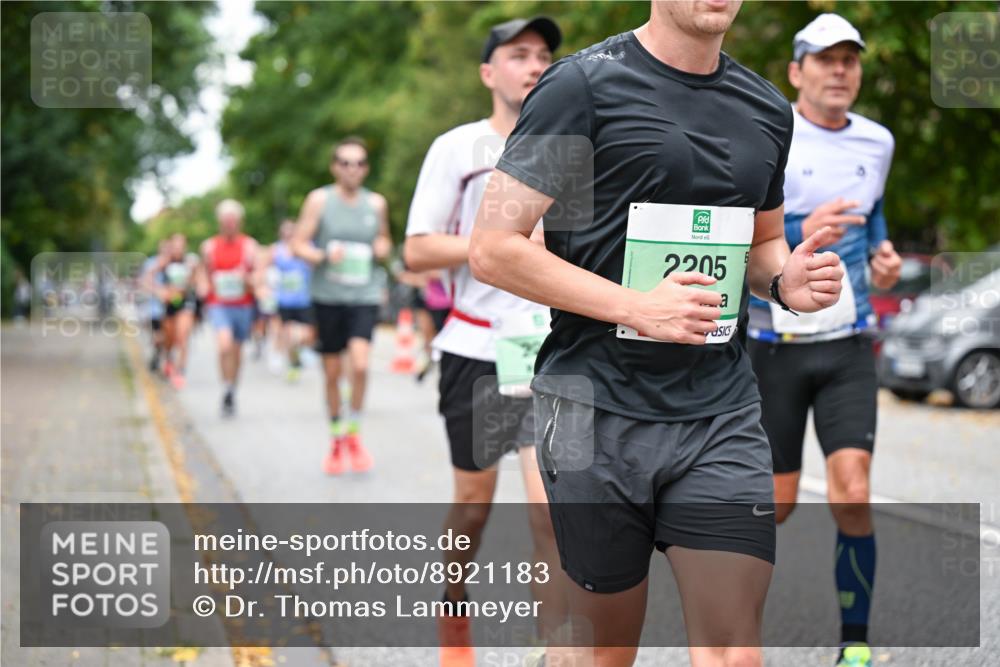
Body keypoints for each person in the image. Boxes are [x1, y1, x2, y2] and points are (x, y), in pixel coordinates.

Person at [469, 1, 849, 665]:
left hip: (719, 412)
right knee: (604, 652)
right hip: (598, 409)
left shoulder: (765, 107)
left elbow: (763, 244)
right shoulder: (579, 87)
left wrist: (787, 282)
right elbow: (493, 247)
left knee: (735, 651)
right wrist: (637, 307)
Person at [404, 16, 567, 667]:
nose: (535, 65)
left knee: (552, 513)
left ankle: (550, 649)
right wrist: (498, 244)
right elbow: (417, 251)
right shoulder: (457, 148)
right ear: (487, 72)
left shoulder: (572, 150)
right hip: (476, 351)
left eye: (544, 55)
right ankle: (452, 600)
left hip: (552, 352)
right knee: (473, 507)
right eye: (519, 54)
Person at [745, 14, 901, 667]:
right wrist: (809, 222)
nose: (840, 70)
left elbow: (874, 218)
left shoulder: (877, 142)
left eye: (850, 59)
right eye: (825, 58)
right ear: (796, 71)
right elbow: (743, 228)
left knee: (853, 491)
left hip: (846, 343)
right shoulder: (766, 130)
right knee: (774, 506)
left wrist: (884, 260)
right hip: (774, 342)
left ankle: (855, 644)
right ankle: (732, 634)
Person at [291, 137, 391, 475]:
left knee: (360, 365)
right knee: (333, 373)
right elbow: (297, 245)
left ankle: (354, 433)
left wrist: (382, 246)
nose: (352, 169)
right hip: (328, 297)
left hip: (363, 295)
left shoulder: (375, 203)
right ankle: (336, 437)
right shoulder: (319, 200)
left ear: (366, 168)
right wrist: (322, 255)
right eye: (346, 163)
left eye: (359, 163)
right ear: (335, 167)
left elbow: (384, 238)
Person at [199, 199, 260, 417]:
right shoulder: (209, 246)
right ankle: (225, 386)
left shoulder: (250, 246)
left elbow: (258, 276)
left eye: (233, 220)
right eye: (226, 220)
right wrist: (203, 286)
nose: (230, 224)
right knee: (224, 346)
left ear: (239, 222)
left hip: (243, 305)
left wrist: (248, 279)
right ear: (220, 222)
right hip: (219, 303)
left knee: (236, 350)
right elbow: (203, 273)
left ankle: (232, 389)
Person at [268, 219, 314, 381]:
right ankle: (290, 362)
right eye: (285, 231)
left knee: (307, 335)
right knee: (285, 333)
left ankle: (298, 353)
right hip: (284, 300)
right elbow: (263, 268)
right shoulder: (276, 250)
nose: (288, 234)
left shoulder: (308, 247)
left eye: (291, 230)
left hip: (305, 299)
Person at [157, 233, 199, 389]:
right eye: (175, 246)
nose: (178, 249)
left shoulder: (190, 262)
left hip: (185, 302)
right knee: (169, 338)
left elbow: (197, 282)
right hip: (169, 303)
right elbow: (148, 279)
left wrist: (192, 277)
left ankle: (180, 371)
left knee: (182, 336)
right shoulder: (164, 262)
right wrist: (160, 291)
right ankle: (168, 359)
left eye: (181, 246)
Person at [141, 240, 170, 373]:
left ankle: (165, 361)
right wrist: (158, 291)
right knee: (158, 337)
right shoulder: (151, 263)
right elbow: (144, 283)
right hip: (155, 308)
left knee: (169, 337)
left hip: (170, 307)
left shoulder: (174, 264)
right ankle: (157, 355)